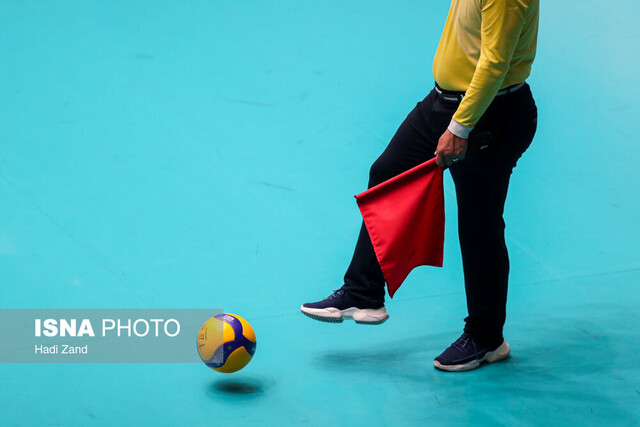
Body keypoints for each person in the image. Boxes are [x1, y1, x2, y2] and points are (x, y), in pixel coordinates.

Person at [301, 0, 539, 372]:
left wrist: (460, 128)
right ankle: (364, 290)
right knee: (388, 173)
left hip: (489, 114)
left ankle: (486, 337)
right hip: (442, 103)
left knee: (479, 225)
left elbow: (495, 63)